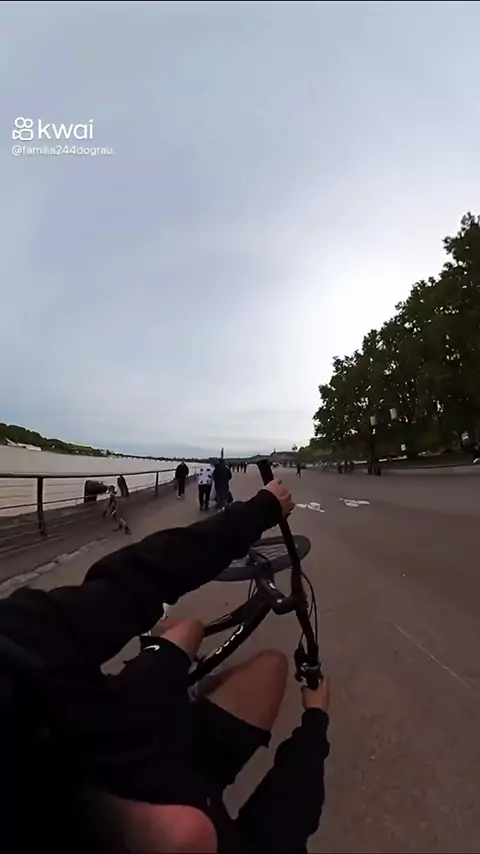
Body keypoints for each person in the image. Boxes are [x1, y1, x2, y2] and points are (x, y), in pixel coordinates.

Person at [0, 481, 330, 854]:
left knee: (194, 632)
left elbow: (137, 577)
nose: (187, 836)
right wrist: (315, 722)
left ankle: (176, 672)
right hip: (165, 765)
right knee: (262, 661)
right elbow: (288, 816)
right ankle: (176, 673)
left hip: (119, 721)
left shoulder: (16, 654)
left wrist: (257, 511)